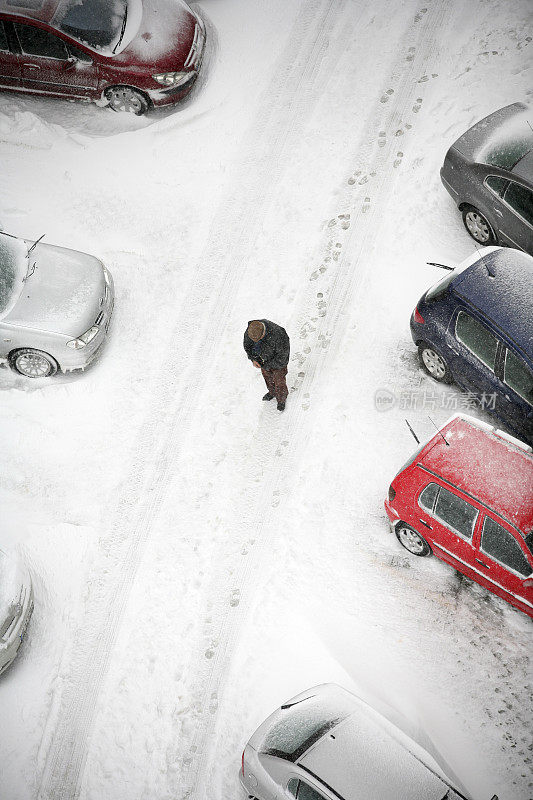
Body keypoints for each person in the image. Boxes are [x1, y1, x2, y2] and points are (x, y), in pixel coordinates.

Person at [243, 319, 290, 411]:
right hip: (263, 361)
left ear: (264, 332)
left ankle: (281, 399)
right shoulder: (250, 331)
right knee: (267, 377)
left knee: (279, 380)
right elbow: (247, 346)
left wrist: (268, 365)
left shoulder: (279, 335)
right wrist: (253, 359)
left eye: (259, 339)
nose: (257, 341)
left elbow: (282, 357)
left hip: (277, 363)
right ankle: (272, 392)